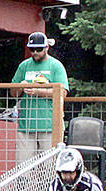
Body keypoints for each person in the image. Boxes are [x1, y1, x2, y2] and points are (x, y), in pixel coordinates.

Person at [10, 32, 69, 163]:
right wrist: (20, 87)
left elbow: (62, 92)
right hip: (26, 126)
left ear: (47, 47)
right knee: (23, 167)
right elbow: (13, 93)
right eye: (32, 49)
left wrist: (38, 91)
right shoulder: (24, 66)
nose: (35, 52)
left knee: (49, 166)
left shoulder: (56, 66)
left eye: (39, 49)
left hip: (50, 126)